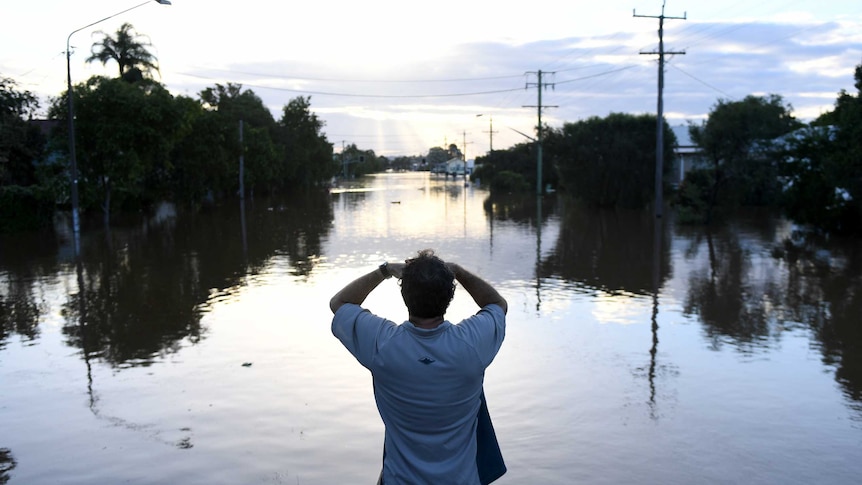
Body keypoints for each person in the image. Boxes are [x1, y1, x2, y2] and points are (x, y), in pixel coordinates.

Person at [329, 249, 508, 484]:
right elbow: (497, 304)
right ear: (449, 296)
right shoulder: (471, 345)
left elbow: (339, 303)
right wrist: (459, 272)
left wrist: (384, 271)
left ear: (404, 296)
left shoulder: (383, 345)